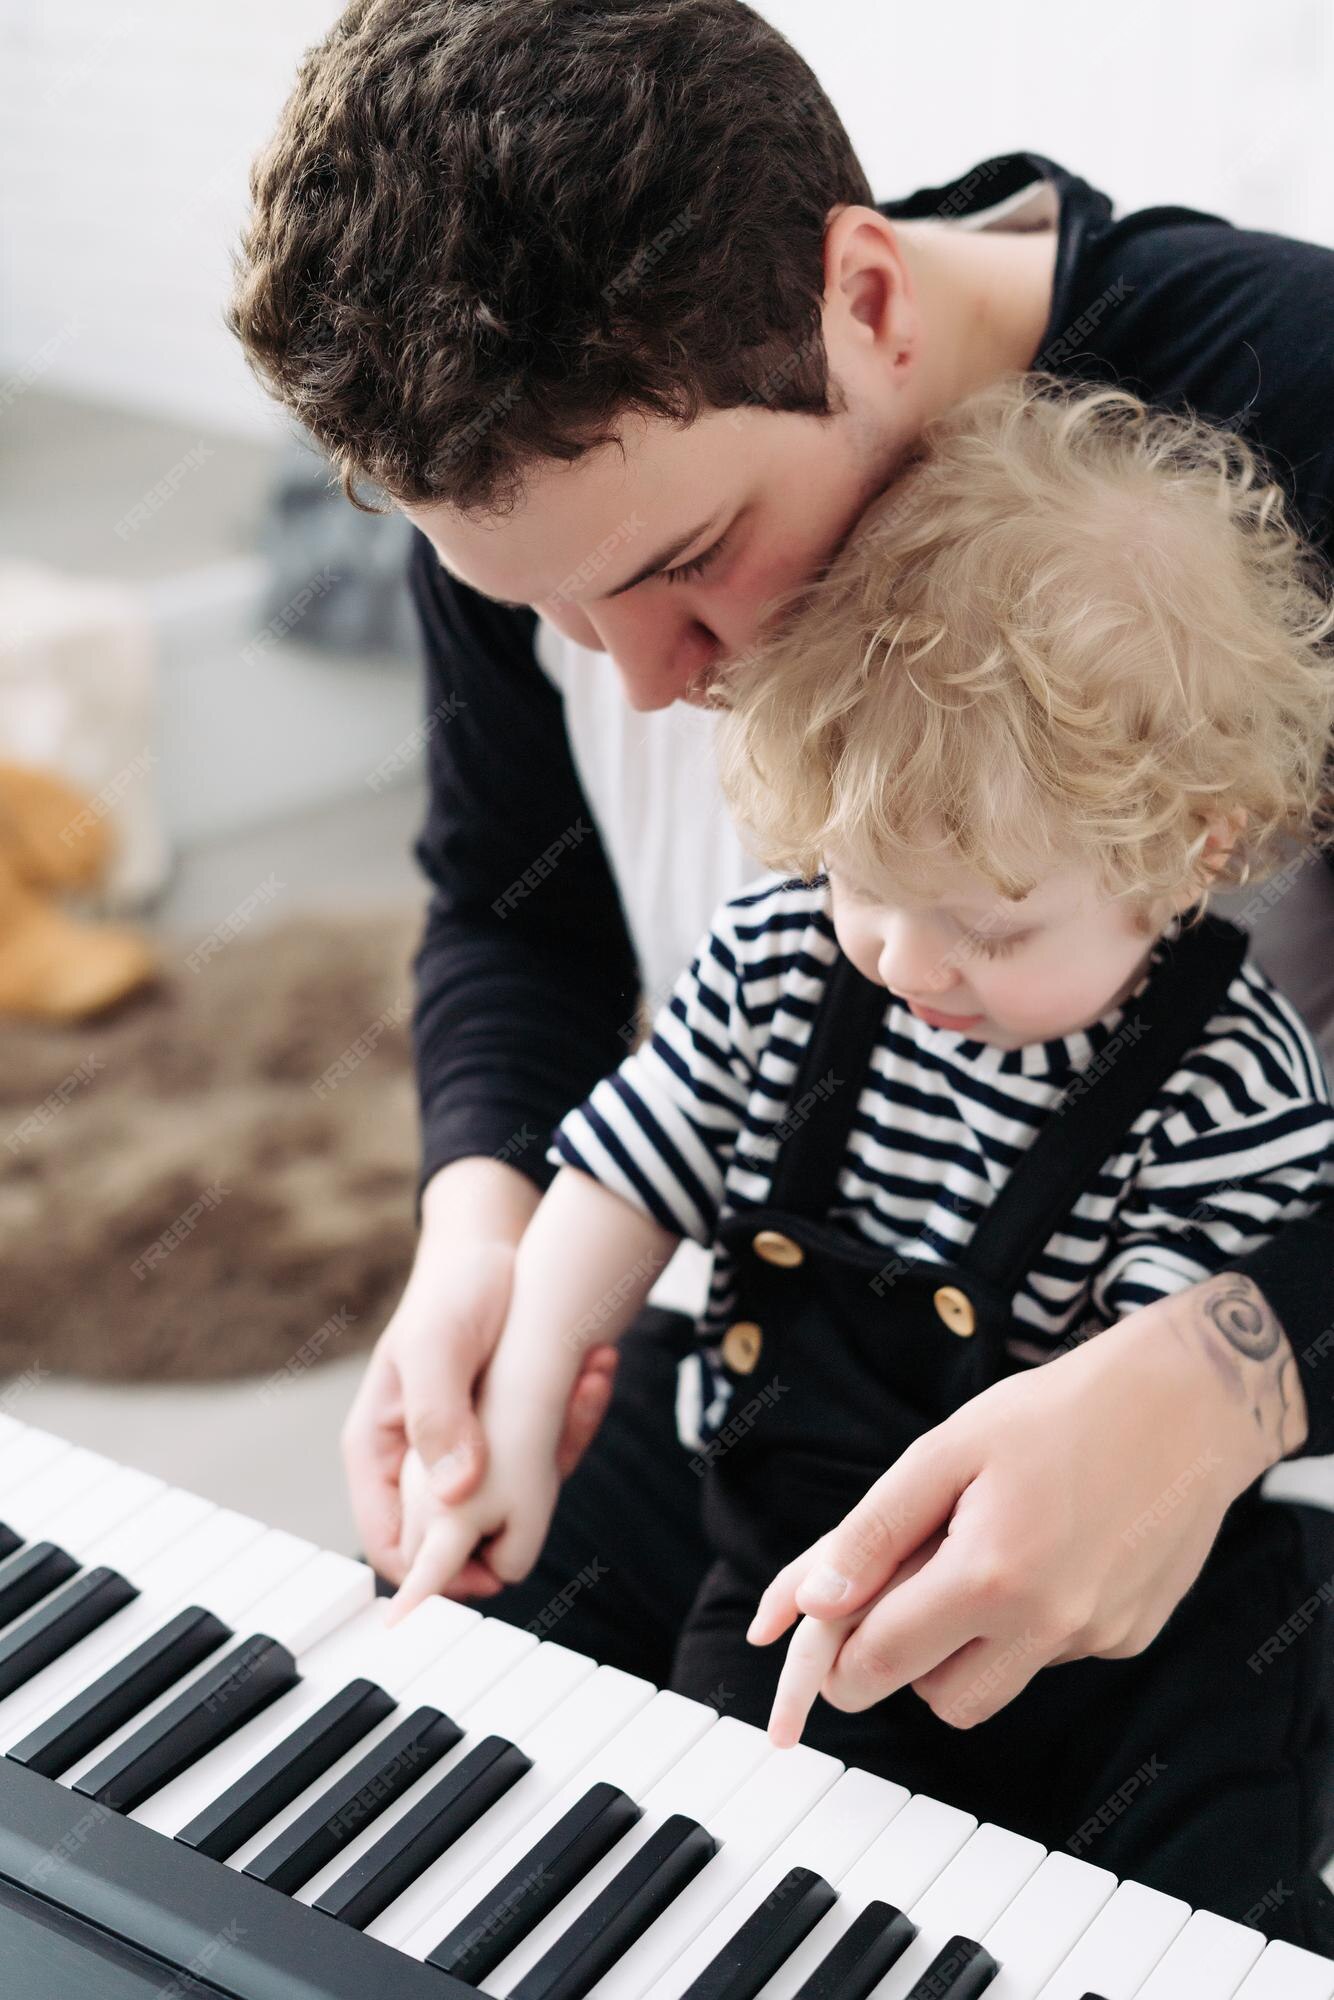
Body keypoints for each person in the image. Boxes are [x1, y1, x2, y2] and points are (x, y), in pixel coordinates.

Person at [228, 0, 1334, 1909]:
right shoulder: (536, 461)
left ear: (865, 300)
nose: (642, 690)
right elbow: (514, 907)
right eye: (540, 607)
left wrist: (1224, 1379)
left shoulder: (1290, 392)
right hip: (777, 1346)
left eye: (685, 566)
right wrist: (487, 1227)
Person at [378, 373, 1334, 1925]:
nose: (904, 956)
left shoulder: (1226, 1082)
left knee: (1196, 1891)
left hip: (1123, 1618)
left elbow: (1121, 1420)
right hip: (791, 1558)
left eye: (989, 922)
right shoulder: (783, 955)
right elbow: (626, 1172)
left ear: (1185, 854)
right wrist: (527, 1376)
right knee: (712, 1865)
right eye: (860, 881)